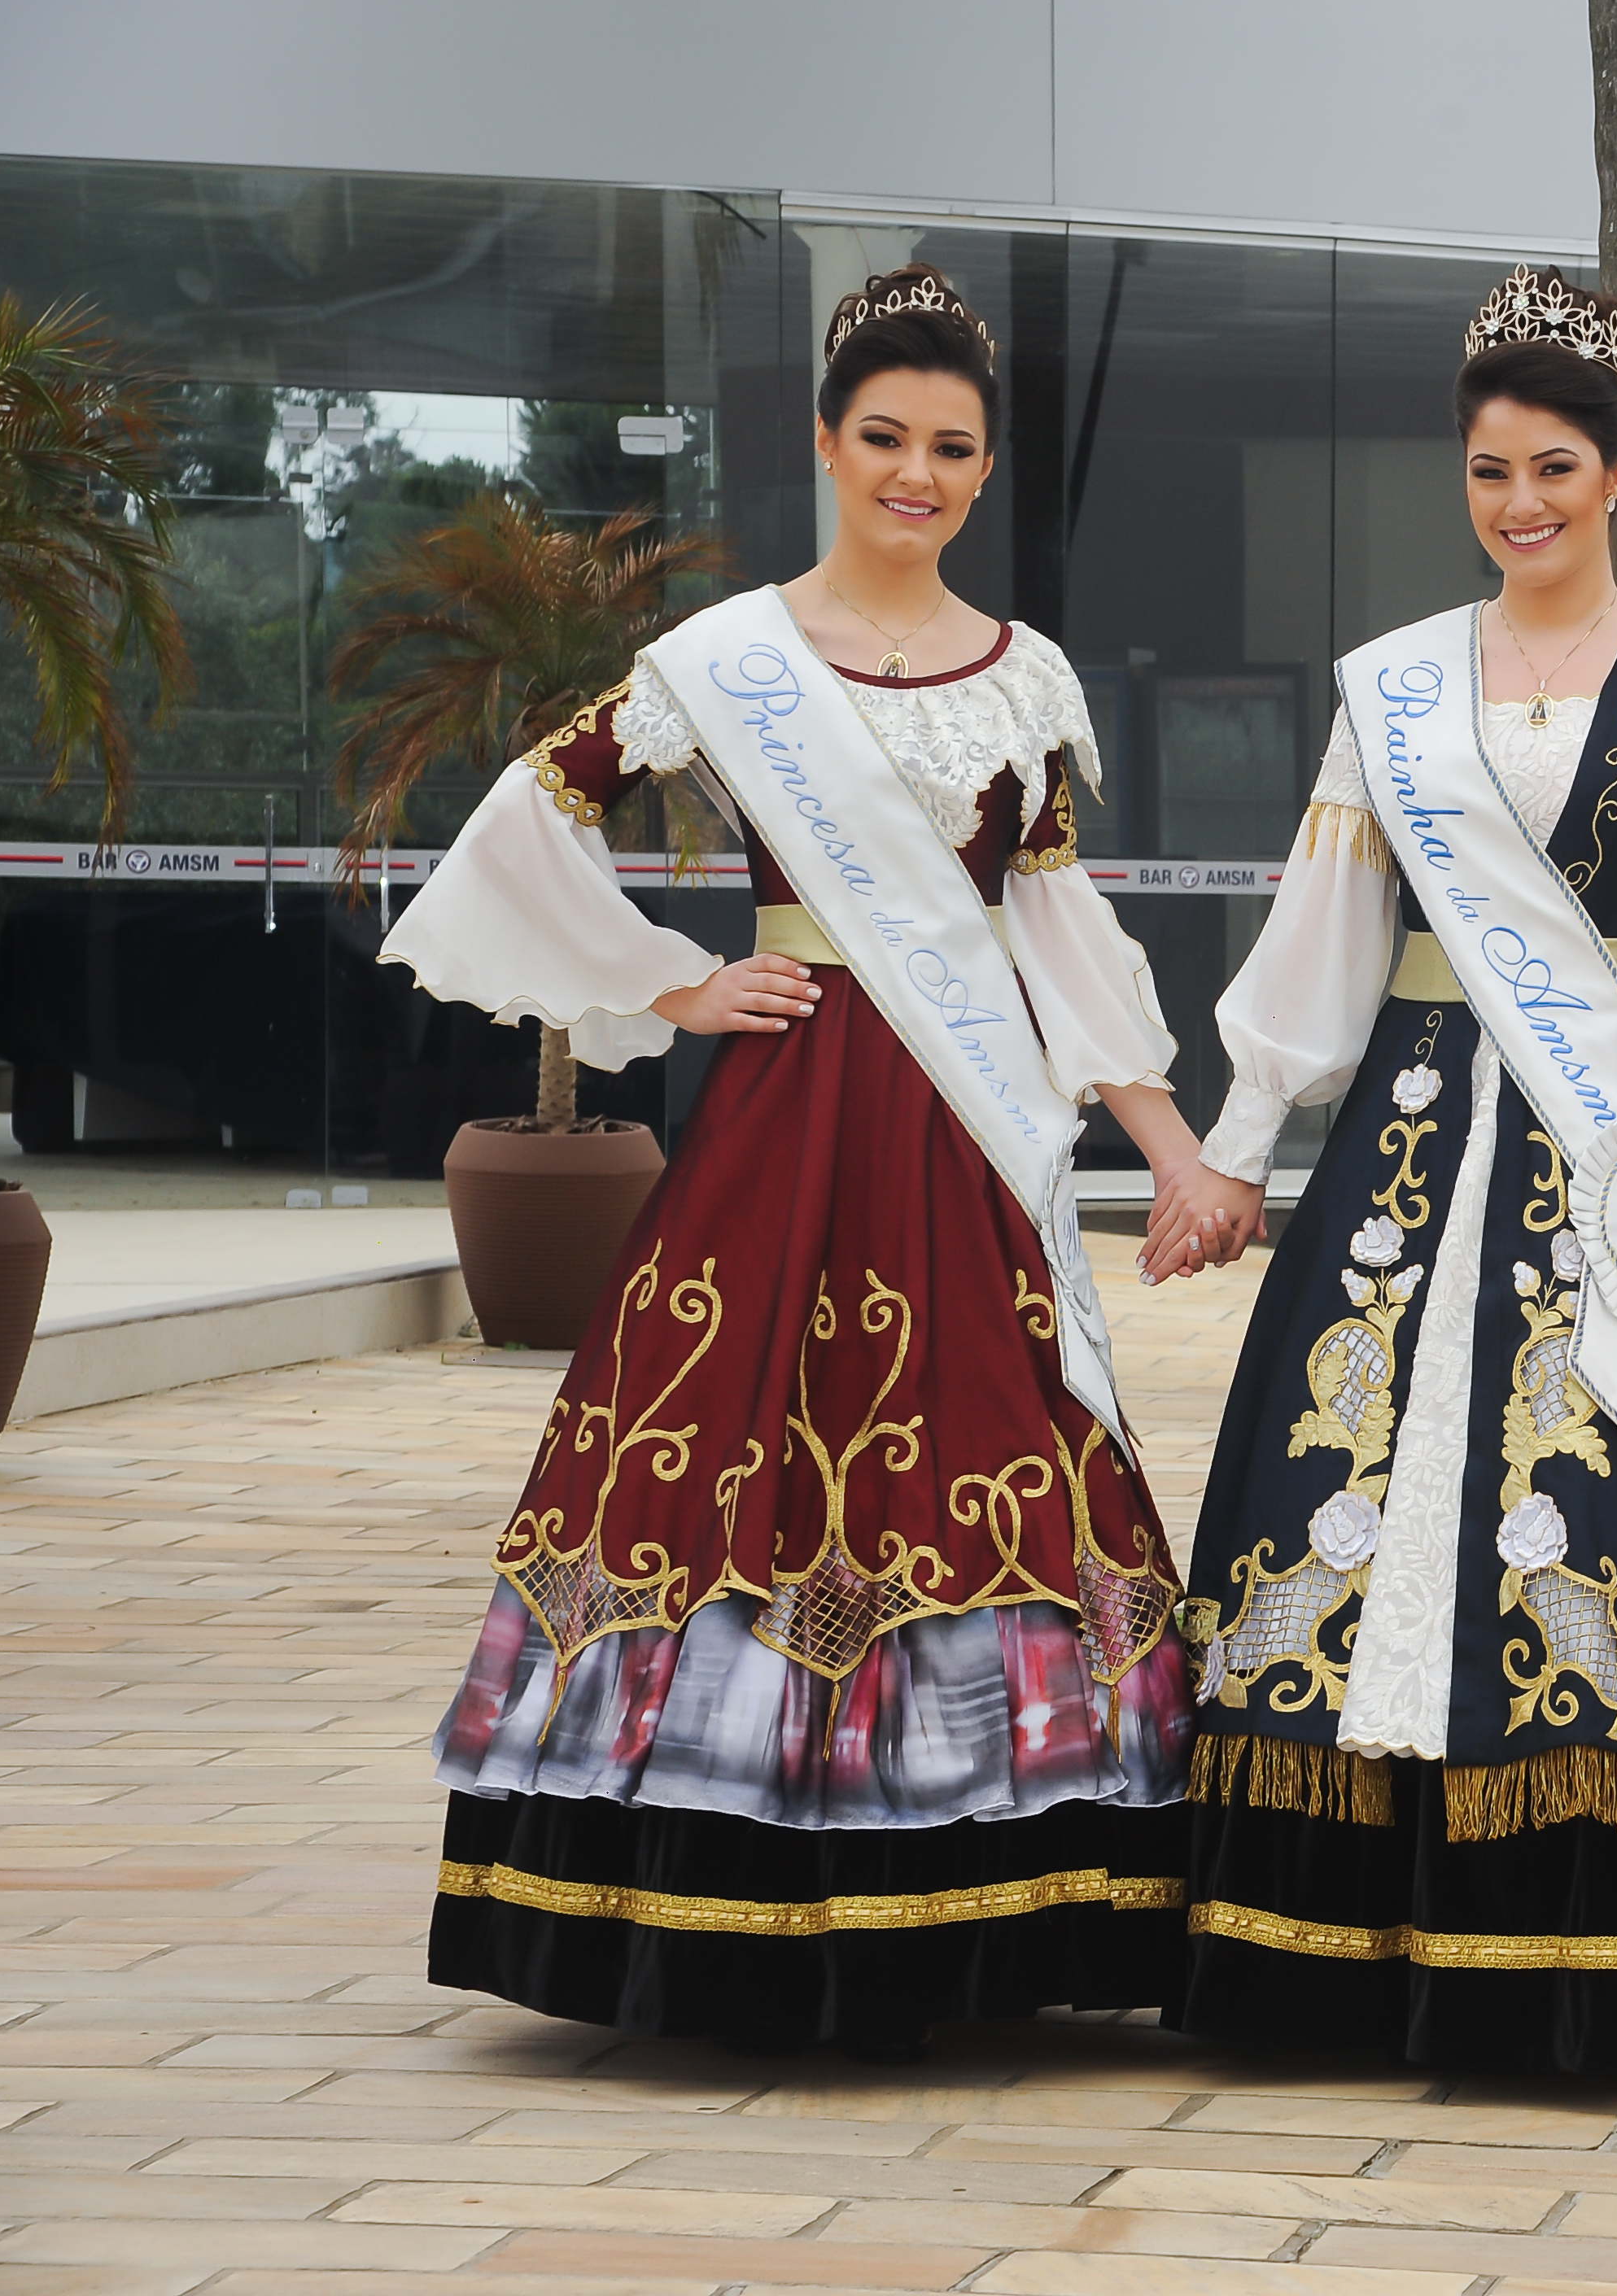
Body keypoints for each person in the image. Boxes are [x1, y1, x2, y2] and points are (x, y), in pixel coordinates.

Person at [390, 265, 1226, 2056]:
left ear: (986, 471)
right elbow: (521, 819)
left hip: (967, 1130)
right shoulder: (721, 665)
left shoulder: (1028, 681)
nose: (915, 474)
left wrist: (1170, 1148)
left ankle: (1000, 1906)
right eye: (884, 438)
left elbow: (1063, 937)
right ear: (828, 444)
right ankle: (713, 1905)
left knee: (990, 1446)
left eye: (951, 448)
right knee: (734, 1444)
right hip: (791, 1115)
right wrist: (673, 985)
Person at [1152, 267, 1617, 2077]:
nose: (1522, 506)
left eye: (1555, 469)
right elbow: (1326, 928)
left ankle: (1599, 1950)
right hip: (1406, 1142)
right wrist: (1236, 1152)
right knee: (1349, 1484)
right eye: (1492, 473)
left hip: (1615, 1133)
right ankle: (1332, 1953)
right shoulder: (1396, 687)